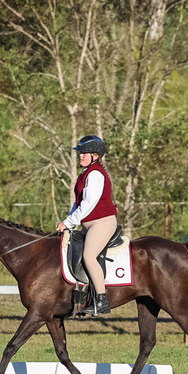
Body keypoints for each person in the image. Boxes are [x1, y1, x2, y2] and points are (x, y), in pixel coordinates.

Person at [56, 135, 118, 315]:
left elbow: (88, 203)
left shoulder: (96, 174)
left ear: (95, 156)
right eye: (80, 153)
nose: (80, 155)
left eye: (84, 153)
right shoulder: (86, 173)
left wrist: (69, 222)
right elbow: (78, 204)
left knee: (89, 256)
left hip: (102, 223)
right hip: (89, 224)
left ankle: (102, 300)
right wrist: (67, 222)